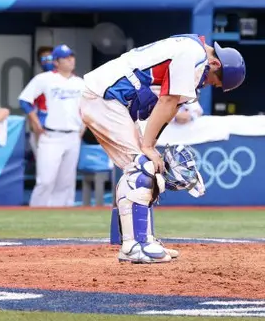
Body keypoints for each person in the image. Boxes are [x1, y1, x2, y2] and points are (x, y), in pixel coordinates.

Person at [80, 34, 246, 263]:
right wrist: (147, 146)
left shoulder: (193, 50)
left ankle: (142, 238)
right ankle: (134, 246)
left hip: (112, 100)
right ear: (216, 63)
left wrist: (151, 145)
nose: (210, 84)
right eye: (215, 80)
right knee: (143, 167)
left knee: (147, 167)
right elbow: (167, 100)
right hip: (106, 97)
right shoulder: (193, 53)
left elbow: (171, 105)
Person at [19, 44, 85, 207]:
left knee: (66, 182)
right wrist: (36, 123)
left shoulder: (80, 82)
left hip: (73, 135)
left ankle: (59, 221)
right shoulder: (45, 79)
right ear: (56, 61)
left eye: (72, 56)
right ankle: (36, 214)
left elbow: (88, 108)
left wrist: (82, 130)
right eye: (66, 57)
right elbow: (24, 100)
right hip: (51, 135)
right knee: (46, 180)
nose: (70, 60)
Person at [29, 46, 55, 157]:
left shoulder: (71, 80)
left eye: (50, 58)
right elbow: (30, 107)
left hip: (65, 130)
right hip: (43, 127)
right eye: (44, 60)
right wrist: (35, 127)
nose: (47, 62)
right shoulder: (38, 81)